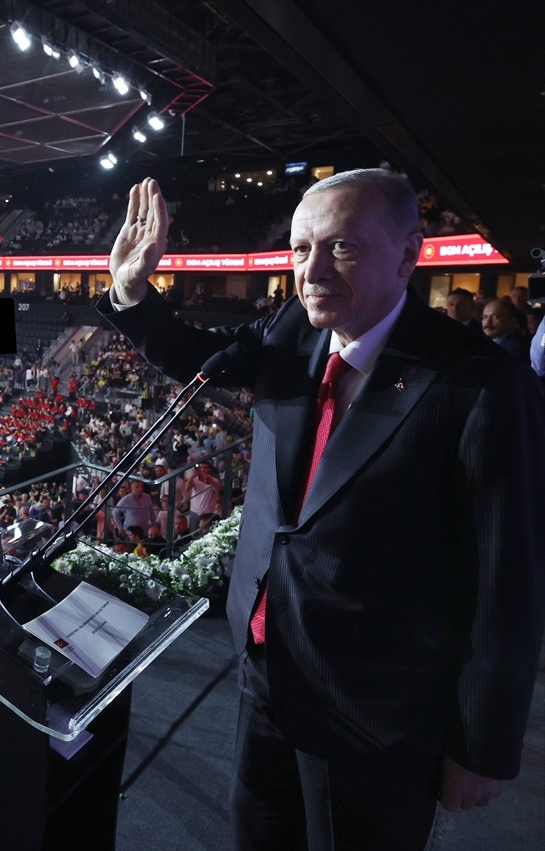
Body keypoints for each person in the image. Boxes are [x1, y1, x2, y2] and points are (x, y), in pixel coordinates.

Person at [100, 172, 544, 850]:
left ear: (408, 253)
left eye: (342, 247)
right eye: (301, 249)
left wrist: (483, 743)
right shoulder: (290, 331)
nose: (312, 271)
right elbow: (196, 355)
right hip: (266, 669)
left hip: (376, 707)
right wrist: (132, 291)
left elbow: (507, 578)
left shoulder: (482, 383)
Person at [481, 298, 530, 362]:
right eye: (485, 317)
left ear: (513, 321)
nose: (488, 322)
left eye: (496, 317)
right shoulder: (483, 341)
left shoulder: (516, 348)